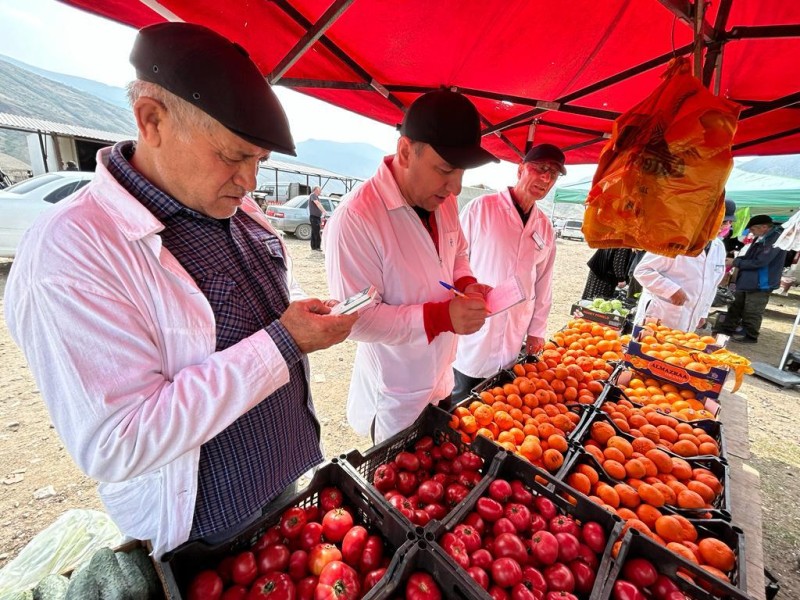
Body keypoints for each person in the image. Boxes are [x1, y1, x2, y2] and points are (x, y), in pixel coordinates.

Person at [3, 23, 357, 557]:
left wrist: (298, 315)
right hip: (206, 528)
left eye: (259, 161)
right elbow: (117, 439)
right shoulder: (71, 253)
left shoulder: (238, 208)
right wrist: (286, 341)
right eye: (233, 156)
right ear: (152, 120)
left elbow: (251, 316)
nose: (250, 181)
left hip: (288, 476)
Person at [324, 90, 496, 443]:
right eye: (445, 169)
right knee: (399, 472)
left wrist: (466, 281)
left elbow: (458, 251)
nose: (456, 187)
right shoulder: (357, 218)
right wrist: (442, 317)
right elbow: (357, 320)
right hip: (396, 394)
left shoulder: (443, 201)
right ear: (405, 152)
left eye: (461, 172)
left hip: (441, 379)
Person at [452, 144, 564, 401]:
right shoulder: (481, 209)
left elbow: (543, 282)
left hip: (514, 329)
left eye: (554, 174)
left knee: (502, 399)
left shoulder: (545, 227)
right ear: (521, 169)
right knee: (462, 399)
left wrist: (537, 329)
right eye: (540, 169)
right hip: (477, 322)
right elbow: (454, 261)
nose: (546, 178)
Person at [633, 199, 737, 332]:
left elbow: (711, 285)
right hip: (661, 312)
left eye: (729, 222)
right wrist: (671, 290)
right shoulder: (676, 239)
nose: (726, 226)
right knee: (649, 343)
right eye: (723, 222)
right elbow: (643, 270)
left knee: (679, 344)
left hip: (690, 317)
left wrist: (703, 312)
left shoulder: (719, 247)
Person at [714, 214, 788, 343]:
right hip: (748, 278)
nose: (751, 232)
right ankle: (727, 330)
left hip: (761, 282)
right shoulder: (762, 238)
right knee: (736, 305)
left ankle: (750, 335)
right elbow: (750, 257)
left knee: (753, 310)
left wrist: (735, 262)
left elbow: (760, 262)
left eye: (753, 229)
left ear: (764, 227)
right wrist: (735, 260)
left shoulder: (774, 240)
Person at [308, 185, 324, 251]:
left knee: (314, 232)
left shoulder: (317, 197)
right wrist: (324, 211)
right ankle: (317, 247)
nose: (320, 191)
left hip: (317, 217)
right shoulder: (313, 195)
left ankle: (314, 246)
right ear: (315, 190)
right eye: (319, 190)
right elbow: (317, 204)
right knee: (316, 232)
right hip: (314, 217)